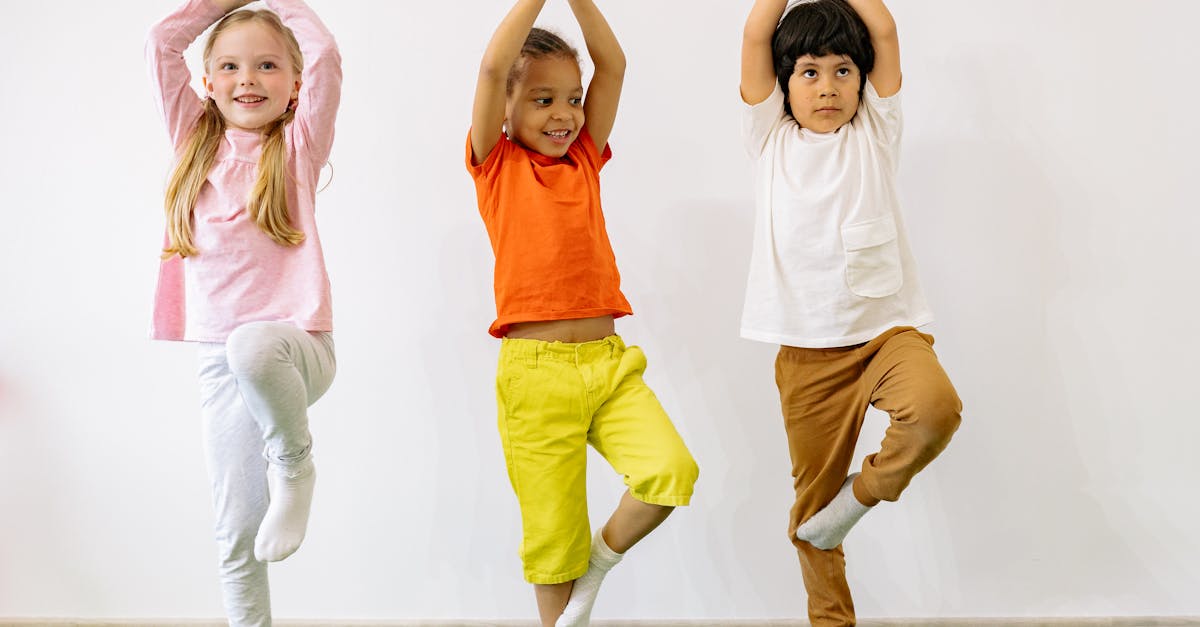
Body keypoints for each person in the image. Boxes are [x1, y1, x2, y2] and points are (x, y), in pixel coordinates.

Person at [466, 1, 699, 625]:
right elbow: (492, 69)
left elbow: (613, 64)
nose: (564, 114)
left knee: (669, 471)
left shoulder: (585, 157)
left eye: (572, 99)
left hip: (609, 365)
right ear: (506, 109)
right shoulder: (497, 165)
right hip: (535, 376)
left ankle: (598, 565)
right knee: (554, 542)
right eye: (543, 100)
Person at [739, 0, 963, 624]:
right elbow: (757, 32)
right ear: (784, 84)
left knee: (935, 410)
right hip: (807, 355)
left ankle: (859, 497)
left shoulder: (875, 133)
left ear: (863, 80)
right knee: (813, 517)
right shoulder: (769, 138)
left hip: (886, 334)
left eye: (844, 71)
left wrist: (862, 490)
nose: (828, 87)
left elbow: (883, 29)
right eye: (809, 73)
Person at [145, 0, 340, 624]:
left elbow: (326, 53)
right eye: (229, 66)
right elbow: (161, 42)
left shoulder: (299, 147)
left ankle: (295, 466)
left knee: (251, 345)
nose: (247, 79)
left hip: (297, 352)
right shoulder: (193, 142)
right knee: (237, 532)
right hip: (220, 364)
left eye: (267, 66)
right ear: (206, 82)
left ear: (295, 84)